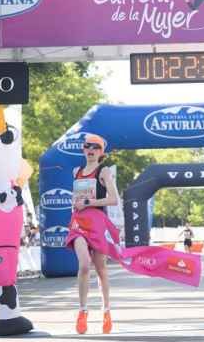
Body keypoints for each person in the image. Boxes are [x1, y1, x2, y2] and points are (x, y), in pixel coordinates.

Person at [66, 133, 119, 335]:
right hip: (78, 222)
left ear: (100, 152)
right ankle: (82, 311)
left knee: (101, 269)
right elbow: (76, 198)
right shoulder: (76, 171)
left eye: (95, 147)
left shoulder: (103, 171)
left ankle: (106, 311)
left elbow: (113, 199)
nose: (90, 150)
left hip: (97, 222)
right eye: (87, 146)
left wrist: (88, 202)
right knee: (84, 264)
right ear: (83, 149)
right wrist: (76, 203)